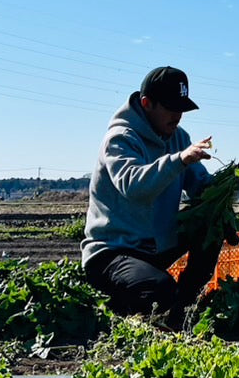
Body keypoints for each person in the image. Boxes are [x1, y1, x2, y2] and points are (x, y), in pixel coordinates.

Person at [82, 65, 228, 326]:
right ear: (147, 103)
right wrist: (180, 160)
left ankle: (183, 307)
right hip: (113, 252)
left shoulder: (178, 137)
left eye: (182, 108)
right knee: (157, 291)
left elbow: (200, 186)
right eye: (171, 108)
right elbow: (134, 187)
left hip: (156, 249)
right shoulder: (120, 139)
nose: (178, 116)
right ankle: (130, 305)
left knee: (209, 226)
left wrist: (223, 190)